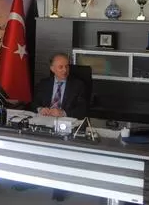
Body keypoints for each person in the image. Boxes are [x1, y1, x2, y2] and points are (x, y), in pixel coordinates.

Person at [32, 53, 88, 203]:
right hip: (45, 121)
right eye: (61, 67)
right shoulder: (44, 83)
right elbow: (33, 102)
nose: (65, 70)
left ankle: (59, 184)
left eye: (67, 67)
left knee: (60, 150)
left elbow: (83, 109)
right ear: (52, 69)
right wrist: (40, 109)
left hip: (66, 124)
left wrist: (63, 112)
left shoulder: (78, 85)